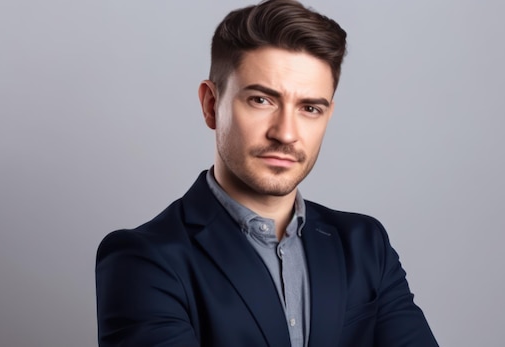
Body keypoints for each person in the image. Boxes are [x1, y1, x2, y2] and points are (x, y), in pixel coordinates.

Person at [95, 0, 439, 346]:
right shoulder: (144, 259)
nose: (286, 133)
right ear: (211, 105)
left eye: (309, 108)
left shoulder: (366, 245)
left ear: (328, 115)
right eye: (262, 100)